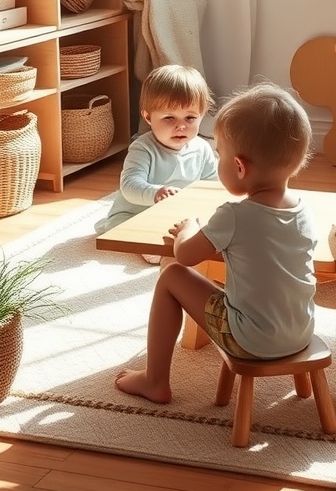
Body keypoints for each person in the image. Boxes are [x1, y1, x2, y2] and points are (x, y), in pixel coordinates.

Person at [115, 82, 317, 403]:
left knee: (171, 274)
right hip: (301, 333)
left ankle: (155, 381)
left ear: (239, 167)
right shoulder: (304, 209)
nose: (218, 161)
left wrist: (189, 228)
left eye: (220, 155)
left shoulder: (234, 216)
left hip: (249, 342)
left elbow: (185, 255)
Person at [101, 65, 218, 256]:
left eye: (190, 118)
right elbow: (129, 185)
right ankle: (151, 246)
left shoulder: (202, 148)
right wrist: (156, 193)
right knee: (122, 229)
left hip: (175, 216)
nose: (181, 126)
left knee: (206, 227)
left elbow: (212, 185)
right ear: (148, 117)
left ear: (202, 115)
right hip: (135, 214)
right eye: (169, 118)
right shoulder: (143, 148)